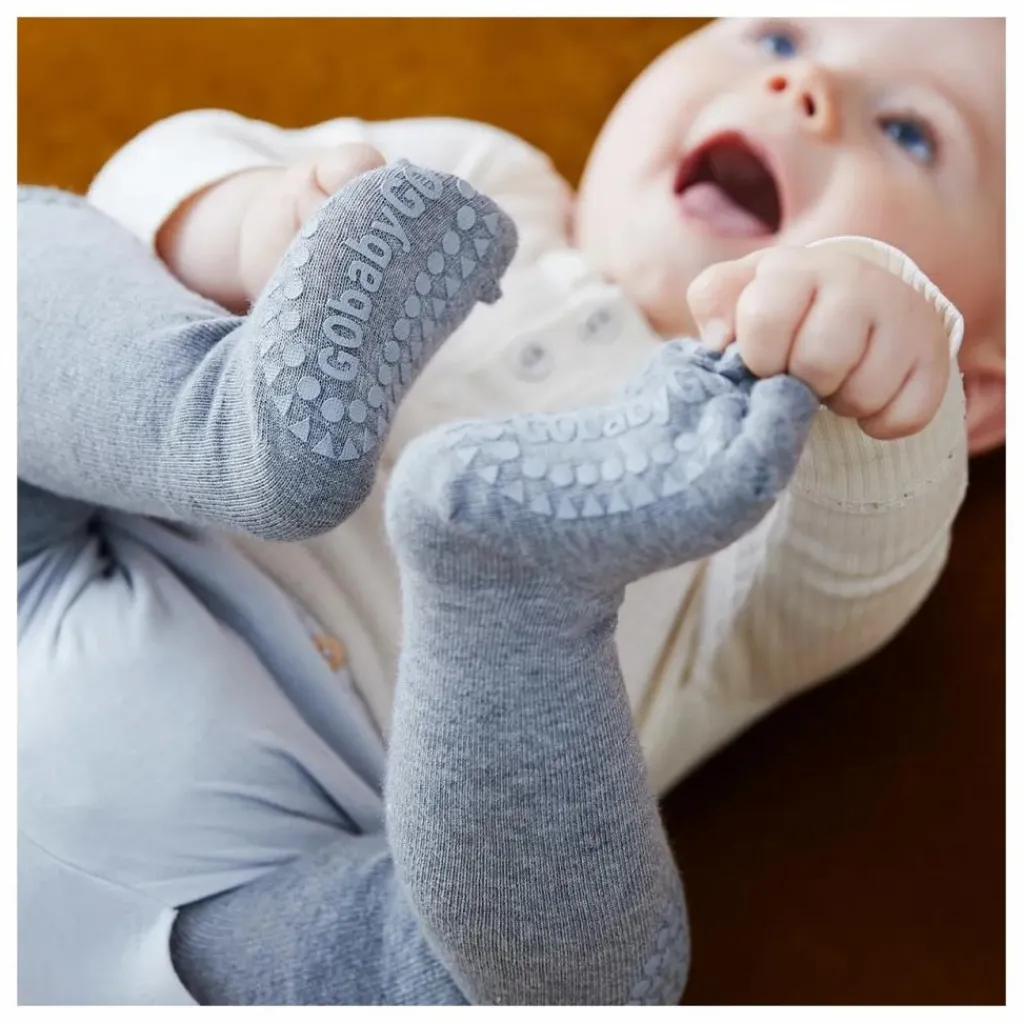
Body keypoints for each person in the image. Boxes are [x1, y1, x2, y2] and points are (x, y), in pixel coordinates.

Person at [18, 16, 1001, 1004]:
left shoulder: (764, 490)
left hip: (287, 886)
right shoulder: (483, 184)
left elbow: (862, 560)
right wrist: (256, 225)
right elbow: (147, 187)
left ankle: (508, 587)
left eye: (910, 133)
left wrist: (886, 360)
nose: (806, 88)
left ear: (983, 393)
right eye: (777, 40)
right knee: (35, 248)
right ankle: (239, 428)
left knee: (541, 985)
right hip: (75, 545)